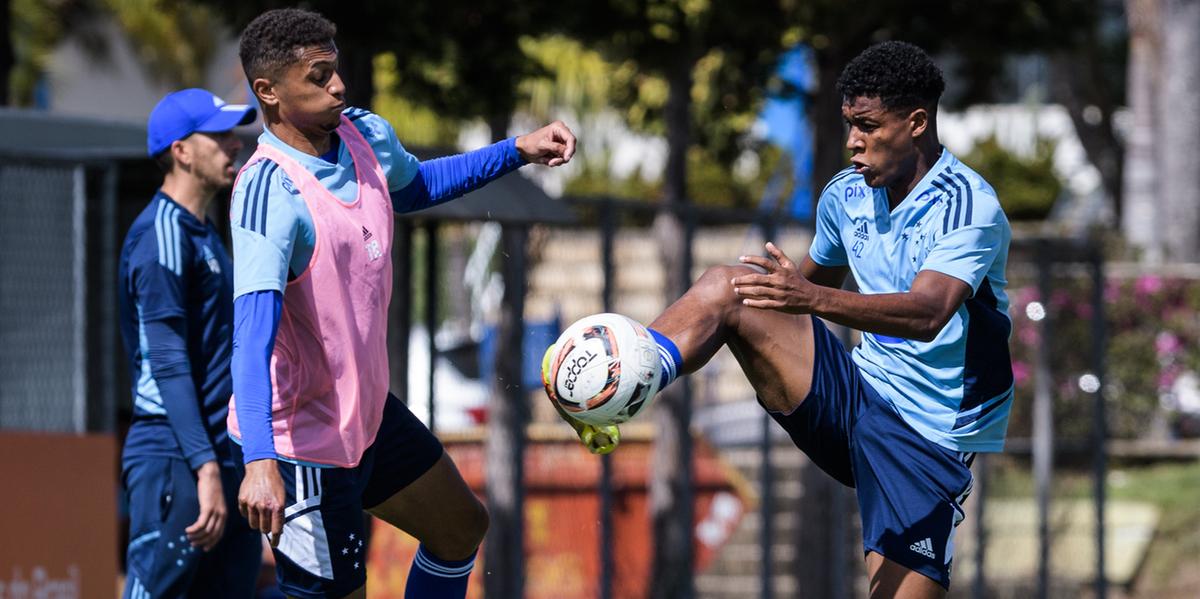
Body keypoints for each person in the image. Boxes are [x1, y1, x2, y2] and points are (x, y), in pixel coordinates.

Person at [546, 41, 1012, 598]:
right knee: (732, 288)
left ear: (916, 122)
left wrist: (807, 298)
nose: (852, 143)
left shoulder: (968, 205)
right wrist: (785, 297)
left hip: (927, 433)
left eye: (867, 126)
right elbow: (789, 295)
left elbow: (929, 313)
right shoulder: (846, 196)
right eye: (848, 125)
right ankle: (629, 382)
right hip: (857, 395)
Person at [227, 8, 576, 599]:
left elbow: (418, 187)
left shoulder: (362, 133)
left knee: (460, 527)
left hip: (366, 419)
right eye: (318, 76)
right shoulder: (269, 191)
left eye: (335, 70)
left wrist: (518, 149)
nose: (338, 85)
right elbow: (250, 339)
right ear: (268, 91)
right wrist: (260, 462)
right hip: (301, 444)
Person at [118, 88, 262, 598]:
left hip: (221, 454)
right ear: (181, 150)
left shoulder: (205, 233)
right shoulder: (162, 236)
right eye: (219, 135)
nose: (234, 145)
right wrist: (203, 469)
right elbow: (167, 363)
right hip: (175, 455)